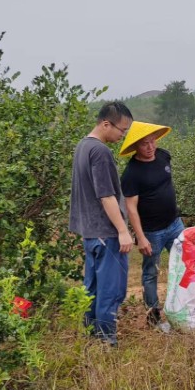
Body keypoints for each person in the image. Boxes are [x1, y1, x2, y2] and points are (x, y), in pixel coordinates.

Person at [69, 101, 134, 347]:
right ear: (106, 124)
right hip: (106, 233)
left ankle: (91, 338)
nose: (122, 135)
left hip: (90, 233)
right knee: (111, 290)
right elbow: (106, 196)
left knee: (92, 288)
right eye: (121, 130)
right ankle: (108, 342)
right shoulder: (101, 152)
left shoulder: (82, 146)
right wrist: (122, 231)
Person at [120, 122, 183, 332]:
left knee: (186, 265)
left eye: (152, 141)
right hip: (152, 232)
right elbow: (131, 208)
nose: (150, 147)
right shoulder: (131, 173)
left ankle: (184, 308)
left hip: (175, 224)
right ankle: (153, 317)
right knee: (150, 273)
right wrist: (141, 237)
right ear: (136, 146)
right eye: (145, 144)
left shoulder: (164, 155)